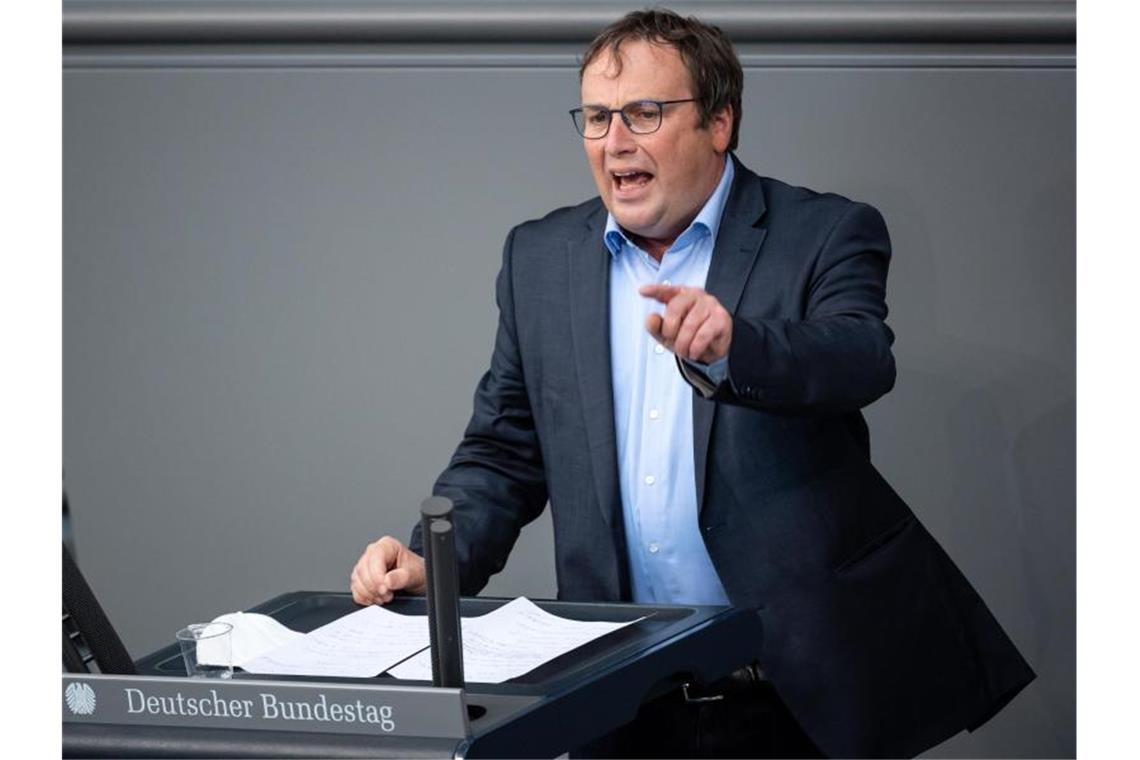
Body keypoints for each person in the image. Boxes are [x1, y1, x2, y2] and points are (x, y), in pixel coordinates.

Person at [350, 8, 1034, 758]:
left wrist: (738, 345)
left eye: (644, 113)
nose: (615, 142)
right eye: (598, 116)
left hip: (794, 691)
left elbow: (859, 356)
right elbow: (507, 449)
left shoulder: (825, 232)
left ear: (719, 122)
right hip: (616, 691)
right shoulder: (540, 258)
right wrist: (432, 563)